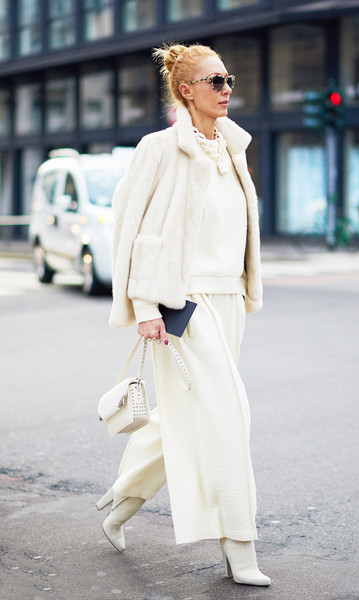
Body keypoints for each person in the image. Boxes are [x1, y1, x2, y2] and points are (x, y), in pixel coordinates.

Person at [96, 42, 270, 587]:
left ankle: (122, 500)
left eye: (229, 80)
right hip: (183, 303)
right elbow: (131, 230)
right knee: (228, 416)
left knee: (185, 414)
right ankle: (239, 546)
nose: (226, 89)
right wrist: (145, 305)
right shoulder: (158, 149)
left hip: (229, 299)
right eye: (215, 81)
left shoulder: (232, 146)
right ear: (186, 90)